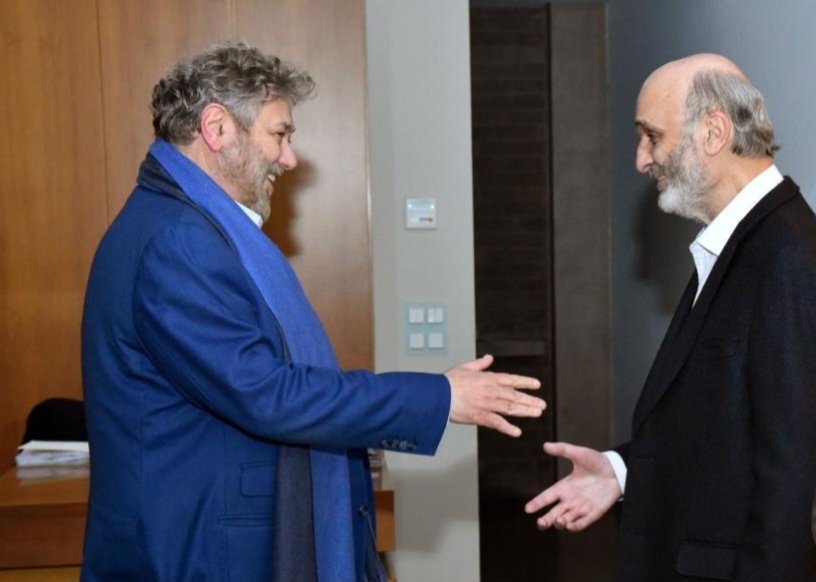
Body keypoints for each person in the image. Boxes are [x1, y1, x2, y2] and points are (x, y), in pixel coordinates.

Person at [80, 42, 545, 582]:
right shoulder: (179, 241)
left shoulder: (185, 225)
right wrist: (441, 397)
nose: (289, 158)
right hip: (197, 551)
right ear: (217, 128)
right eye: (279, 134)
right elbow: (267, 394)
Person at [525, 54, 816, 582]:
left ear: (713, 132)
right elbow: (720, 431)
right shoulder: (740, 244)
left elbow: (801, 480)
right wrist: (621, 471)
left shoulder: (786, 259)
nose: (642, 160)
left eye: (652, 136)